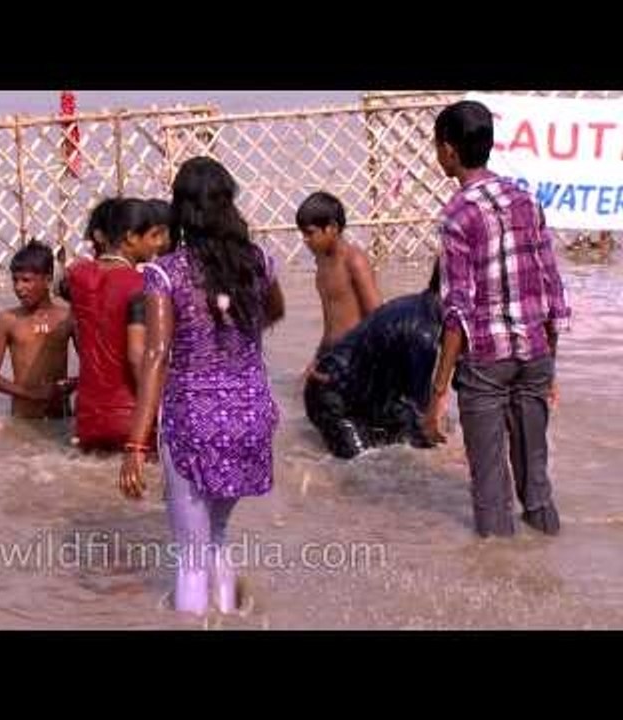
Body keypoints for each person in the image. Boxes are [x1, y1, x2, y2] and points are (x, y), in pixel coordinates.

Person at [118, 157, 285, 615]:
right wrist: (237, 335)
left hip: (193, 419)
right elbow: (274, 311)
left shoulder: (165, 273)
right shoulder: (259, 261)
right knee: (217, 537)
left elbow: (155, 356)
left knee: (190, 557)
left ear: (181, 211)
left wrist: (135, 443)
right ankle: (228, 616)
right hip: (251, 415)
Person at [421, 100, 571, 537]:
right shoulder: (525, 200)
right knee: (537, 485)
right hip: (535, 355)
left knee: (490, 493)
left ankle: (498, 584)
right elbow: (550, 290)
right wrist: (550, 365)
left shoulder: (457, 215)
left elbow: (457, 312)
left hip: (487, 363)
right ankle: (549, 565)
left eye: (438, 147)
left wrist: (438, 391)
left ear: (448, 151)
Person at [304, 260, 443, 457]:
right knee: (363, 469)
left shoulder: (417, 304)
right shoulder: (424, 335)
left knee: (398, 449)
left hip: (362, 396)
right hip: (335, 401)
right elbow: (421, 415)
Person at [67, 198, 169, 450]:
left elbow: (81, 335)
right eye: (153, 235)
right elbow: (137, 357)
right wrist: (161, 414)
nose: (158, 244)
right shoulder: (141, 284)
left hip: (87, 419)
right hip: (129, 418)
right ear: (131, 238)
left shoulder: (77, 276)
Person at [0, 240, 76, 419]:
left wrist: (71, 384)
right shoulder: (8, 320)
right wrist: (32, 394)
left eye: (26, 280)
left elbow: (91, 366)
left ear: (48, 280)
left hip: (61, 417)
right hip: (23, 419)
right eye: (15, 280)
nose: (19, 288)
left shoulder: (68, 317)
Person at [296, 191, 381, 383]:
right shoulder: (321, 262)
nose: (305, 240)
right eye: (303, 234)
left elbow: (378, 318)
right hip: (333, 355)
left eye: (310, 233)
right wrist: (318, 358)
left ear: (332, 228)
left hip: (355, 357)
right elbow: (330, 322)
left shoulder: (354, 261)